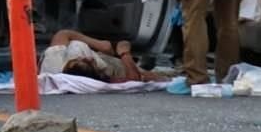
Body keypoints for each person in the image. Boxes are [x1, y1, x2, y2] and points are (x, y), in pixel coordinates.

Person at [38, 29, 168, 83]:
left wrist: (100, 45)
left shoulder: (53, 64)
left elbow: (63, 34)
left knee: (75, 48)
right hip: (106, 65)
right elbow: (134, 80)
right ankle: (168, 78)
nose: (87, 58)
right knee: (152, 78)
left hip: (94, 50)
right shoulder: (100, 76)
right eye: (88, 62)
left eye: (80, 60)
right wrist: (125, 54)